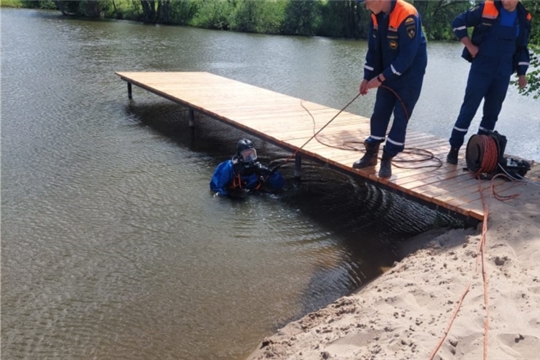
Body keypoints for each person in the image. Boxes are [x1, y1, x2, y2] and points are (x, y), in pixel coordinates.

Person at [446, 0, 532, 164]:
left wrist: (522, 73)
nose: (506, 1)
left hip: (503, 71)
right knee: (468, 109)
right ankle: (454, 149)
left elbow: (522, 47)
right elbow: (457, 22)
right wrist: (469, 46)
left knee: (492, 113)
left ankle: (481, 153)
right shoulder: (486, 7)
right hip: (481, 67)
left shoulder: (524, 16)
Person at [353, 0, 427, 178]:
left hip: (410, 76)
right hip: (388, 71)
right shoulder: (375, 16)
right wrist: (367, 77)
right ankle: (371, 155)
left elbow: (406, 57)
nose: (366, 6)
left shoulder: (407, 15)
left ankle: (387, 158)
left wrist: (381, 78)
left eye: (367, 2)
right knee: (380, 111)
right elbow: (373, 50)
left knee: (400, 117)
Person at [210, 138, 285, 196]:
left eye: (252, 153)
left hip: (255, 193)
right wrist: (230, 196)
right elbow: (215, 187)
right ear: (240, 155)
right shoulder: (229, 167)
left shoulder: (258, 167)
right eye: (246, 154)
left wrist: (269, 172)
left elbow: (280, 184)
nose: (250, 156)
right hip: (235, 195)